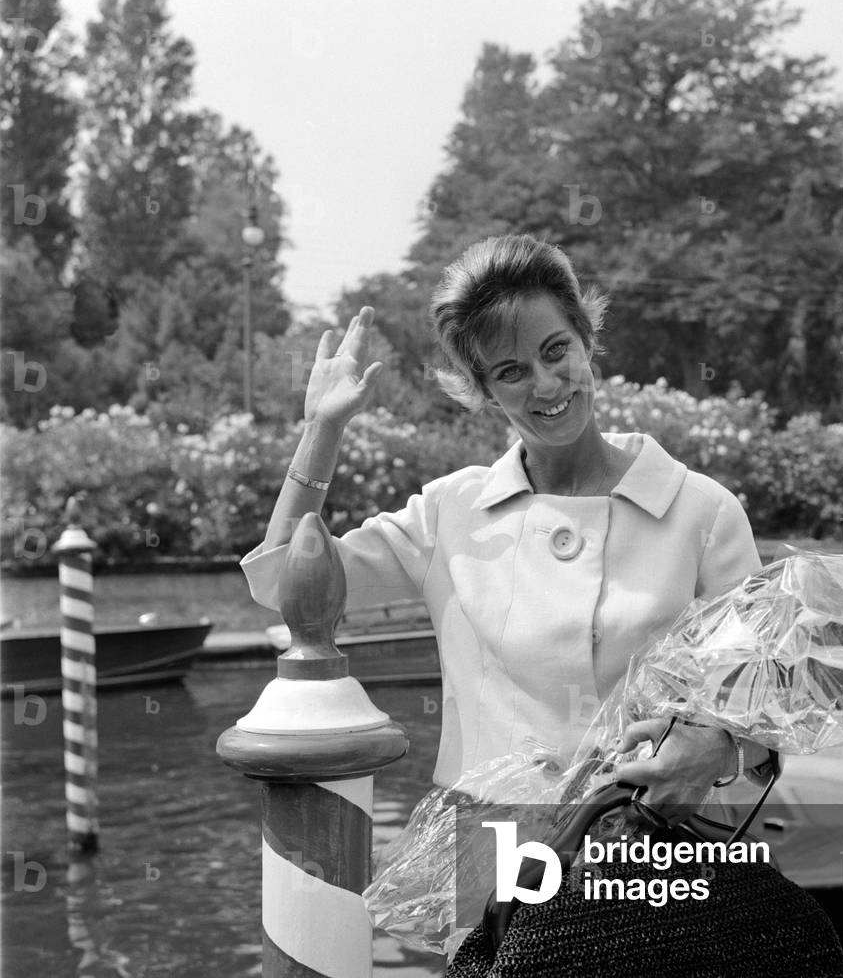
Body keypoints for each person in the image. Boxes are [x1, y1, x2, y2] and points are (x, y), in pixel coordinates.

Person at [240, 233, 776, 819]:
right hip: (487, 863)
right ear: (484, 390)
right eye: (512, 370)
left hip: (659, 859)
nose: (546, 385)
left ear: (586, 339)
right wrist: (322, 429)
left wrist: (721, 746)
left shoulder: (703, 511)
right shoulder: (449, 513)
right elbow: (282, 584)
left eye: (556, 350)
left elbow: (764, 699)